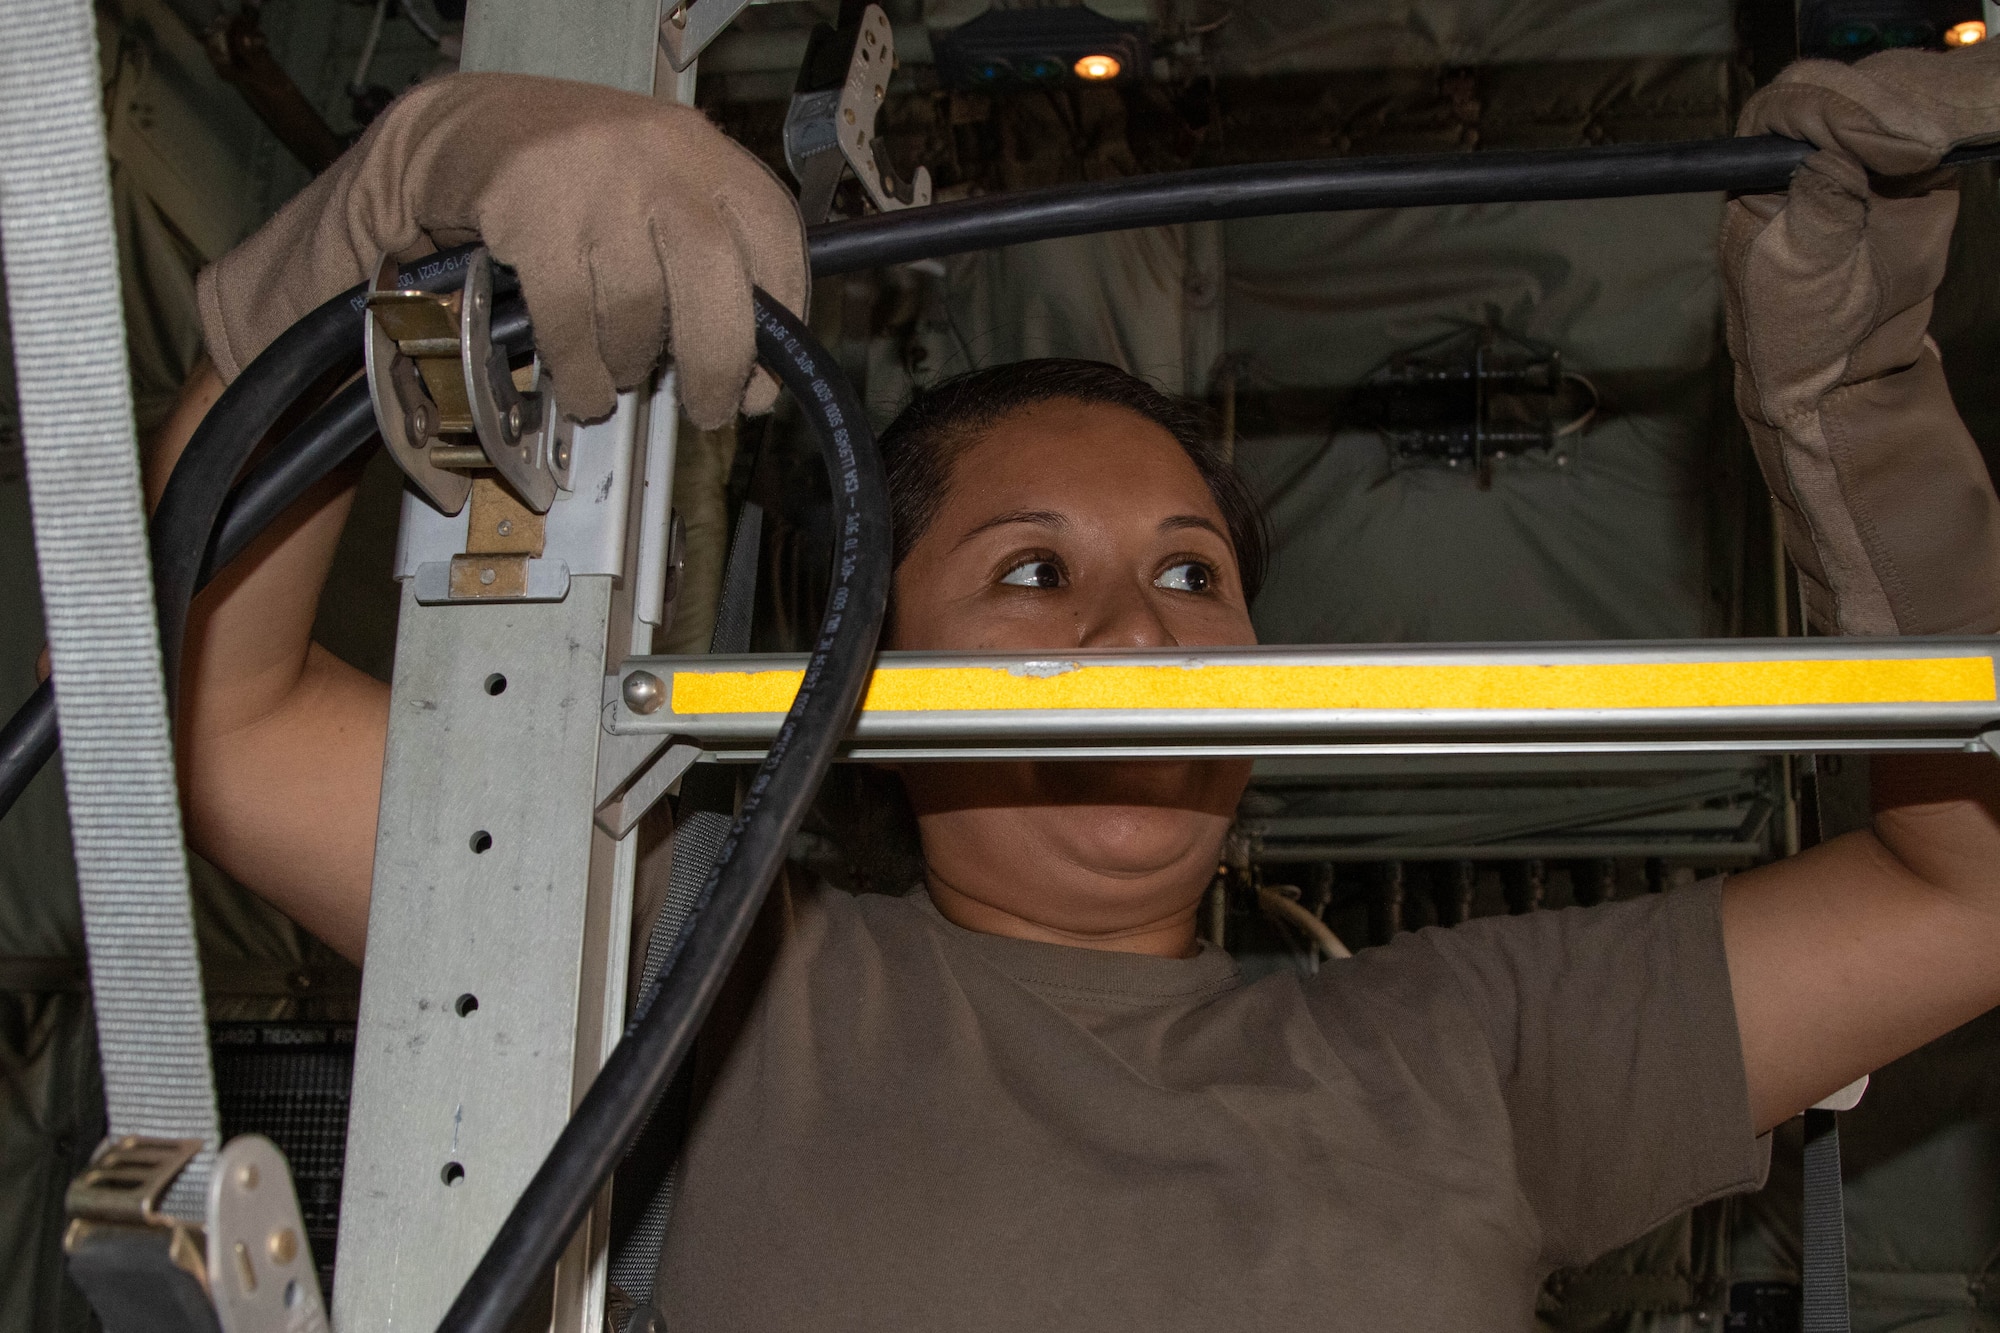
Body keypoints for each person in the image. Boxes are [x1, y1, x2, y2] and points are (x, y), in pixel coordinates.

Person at [153, 41, 2000, 1331]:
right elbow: (224, 731)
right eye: (1035, 573)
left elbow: (1965, 893)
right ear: (864, 679)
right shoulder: (723, 988)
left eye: (1192, 574)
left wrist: (1857, 410)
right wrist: (398, 225)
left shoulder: (1478, 1049)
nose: (1137, 632)